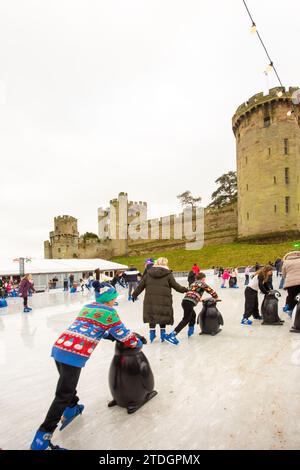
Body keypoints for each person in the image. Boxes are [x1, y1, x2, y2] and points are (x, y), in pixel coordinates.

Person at [30, 284, 142, 450]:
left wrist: (110, 337)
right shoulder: (110, 312)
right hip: (73, 354)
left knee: (66, 386)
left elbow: (92, 327)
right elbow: (123, 334)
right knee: (63, 394)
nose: (115, 300)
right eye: (114, 297)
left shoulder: (88, 307)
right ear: (110, 299)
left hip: (60, 347)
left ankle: (72, 408)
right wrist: (137, 342)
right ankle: (42, 438)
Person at [132, 257, 188, 343]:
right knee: (162, 315)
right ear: (165, 264)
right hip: (164, 300)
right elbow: (176, 286)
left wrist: (134, 294)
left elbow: (141, 286)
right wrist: (185, 289)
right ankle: (163, 333)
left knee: (152, 314)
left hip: (150, 300)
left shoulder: (148, 273)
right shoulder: (168, 274)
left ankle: (152, 333)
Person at [164, 272, 219, 345]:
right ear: (203, 279)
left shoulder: (192, 284)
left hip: (185, 301)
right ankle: (173, 334)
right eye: (204, 279)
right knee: (186, 319)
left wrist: (199, 299)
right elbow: (210, 291)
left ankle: (190, 329)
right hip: (189, 303)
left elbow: (192, 293)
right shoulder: (202, 284)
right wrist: (216, 297)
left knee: (193, 315)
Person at [282, 251, 300, 316]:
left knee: (292, 297)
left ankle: (292, 312)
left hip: (290, 283)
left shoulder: (286, 262)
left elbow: (284, 274)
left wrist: (287, 278)